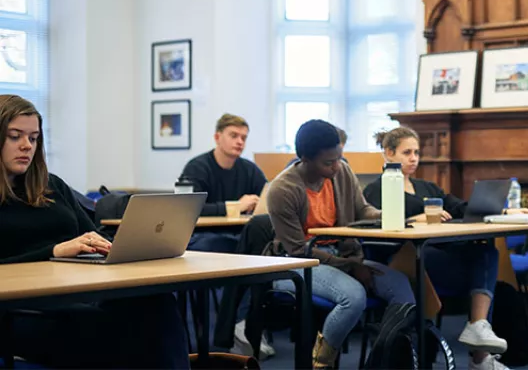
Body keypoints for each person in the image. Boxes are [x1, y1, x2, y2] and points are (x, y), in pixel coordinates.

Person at [0, 94, 189, 369]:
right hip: (21, 309)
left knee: (156, 303)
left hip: (77, 294)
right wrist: (52, 252)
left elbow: (93, 239)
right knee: (115, 331)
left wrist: (124, 248)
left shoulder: (52, 186)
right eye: (15, 136)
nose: (26, 146)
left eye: (34, 137)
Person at [364, 126, 528, 370]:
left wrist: (505, 211)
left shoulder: (427, 187)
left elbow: (460, 206)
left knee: (485, 252)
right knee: (482, 275)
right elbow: (376, 223)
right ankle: (481, 359)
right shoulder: (376, 189)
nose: (414, 159)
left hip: (439, 254)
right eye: (406, 152)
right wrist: (415, 219)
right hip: (407, 259)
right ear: (389, 153)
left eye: (417, 153)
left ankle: (478, 328)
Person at [266, 119, 415, 369]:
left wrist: (391, 214)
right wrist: (350, 266)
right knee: (353, 297)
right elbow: (298, 250)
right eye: (328, 162)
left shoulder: (342, 171)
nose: (336, 166)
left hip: (343, 257)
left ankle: (381, 359)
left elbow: (361, 210)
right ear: (304, 158)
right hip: (297, 263)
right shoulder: (282, 189)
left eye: (339, 158)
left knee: (402, 288)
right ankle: (321, 362)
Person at [180, 113, 267, 250]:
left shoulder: (250, 169)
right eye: (234, 136)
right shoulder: (197, 168)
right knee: (218, 244)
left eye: (244, 138)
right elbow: (189, 207)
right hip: (203, 234)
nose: (240, 142)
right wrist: (237, 206)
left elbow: (266, 199)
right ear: (217, 137)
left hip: (239, 232)